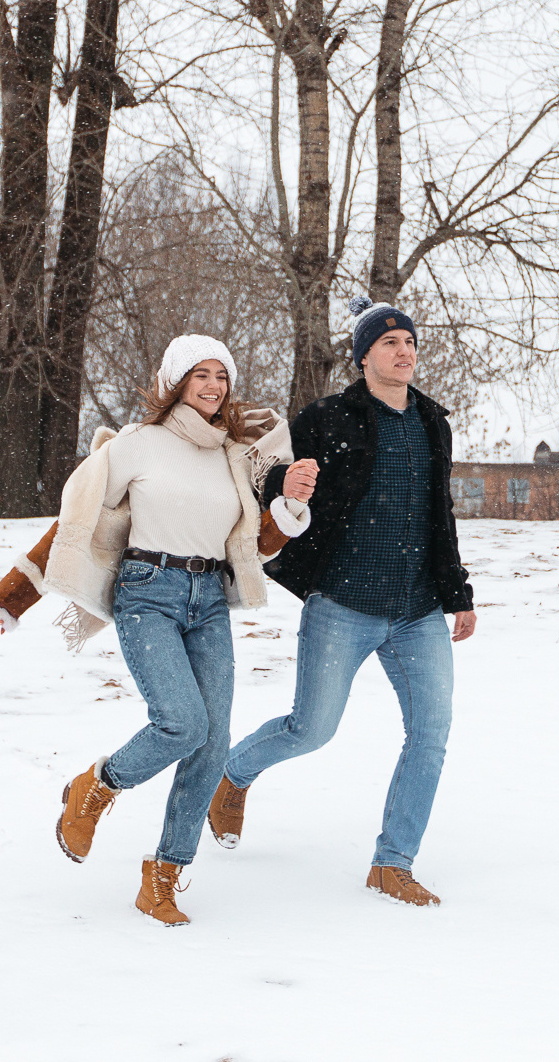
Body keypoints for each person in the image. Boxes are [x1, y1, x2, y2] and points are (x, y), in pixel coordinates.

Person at [0, 334, 318, 926]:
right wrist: (11, 597)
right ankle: (96, 787)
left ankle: (162, 878)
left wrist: (285, 508)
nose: (213, 386)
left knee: (212, 744)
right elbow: (74, 525)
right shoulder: (134, 447)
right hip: (147, 595)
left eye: (221, 376)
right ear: (175, 381)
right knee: (183, 723)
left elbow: (252, 545)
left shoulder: (232, 456)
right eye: (200, 375)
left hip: (208, 600)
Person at [207, 297, 475, 908]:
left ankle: (392, 863)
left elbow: (440, 514)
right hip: (343, 605)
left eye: (408, 340)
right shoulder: (327, 417)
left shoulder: (433, 421)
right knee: (311, 729)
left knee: (431, 731)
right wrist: (284, 486)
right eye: (388, 343)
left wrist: (456, 592)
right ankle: (234, 773)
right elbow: (270, 474)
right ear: (363, 358)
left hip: (416, 611)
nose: (404, 350)